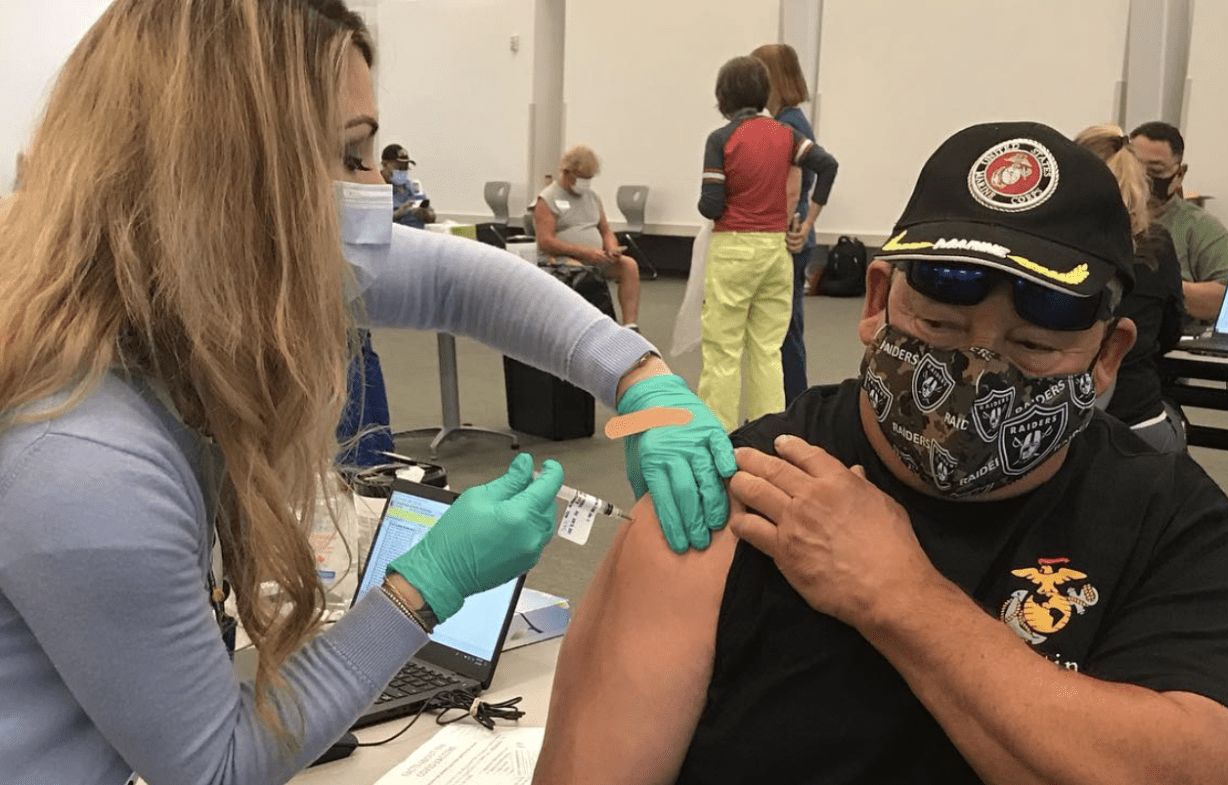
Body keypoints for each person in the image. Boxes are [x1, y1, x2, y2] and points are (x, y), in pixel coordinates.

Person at [0, 2, 735, 782]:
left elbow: (459, 286)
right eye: (353, 155)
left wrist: (638, 377)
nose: (377, 188)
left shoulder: (129, 293)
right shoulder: (82, 457)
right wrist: (426, 586)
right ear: (231, 175)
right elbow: (216, 766)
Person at [536, 122, 1228, 785]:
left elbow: (1202, 769)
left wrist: (900, 598)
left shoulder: (1169, 520)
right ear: (875, 299)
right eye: (940, 325)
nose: (977, 370)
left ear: (1106, 355)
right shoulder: (738, 491)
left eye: (1032, 346)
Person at [697, 55, 837, 432]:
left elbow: (711, 205)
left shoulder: (721, 139)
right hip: (776, 250)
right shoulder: (787, 135)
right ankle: (768, 432)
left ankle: (717, 434)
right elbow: (828, 165)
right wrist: (808, 221)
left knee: (723, 350)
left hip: (734, 251)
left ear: (723, 95)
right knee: (766, 349)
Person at [1075, 124, 1187, 452]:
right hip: (1137, 422)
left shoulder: (1050, 245)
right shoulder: (1156, 244)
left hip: (1057, 425)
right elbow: (1169, 334)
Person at [751, 43, 823, 407]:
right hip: (792, 232)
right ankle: (786, 405)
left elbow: (792, 186)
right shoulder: (789, 121)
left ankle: (792, 407)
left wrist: (802, 221)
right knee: (782, 326)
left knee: (782, 329)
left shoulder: (789, 124)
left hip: (786, 236)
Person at [1129, 121, 1228, 325]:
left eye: (1155, 170)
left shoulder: (1203, 228)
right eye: (1134, 167)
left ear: (1179, 174)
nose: (1142, 178)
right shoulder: (1106, 216)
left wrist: (1158, 285)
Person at [533, 145, 641, 328]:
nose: (586, 182)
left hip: (594, 257)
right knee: (583, 273)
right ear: (567, 173)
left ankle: (630, 326)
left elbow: (605, 230)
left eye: (589, 179)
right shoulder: (547, 199)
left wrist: (611, 247)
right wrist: (584, 252)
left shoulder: (592, 197)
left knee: (629, 266)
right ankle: (593, 327)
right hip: (560, 260)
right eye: (582, 178)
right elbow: (545, 242)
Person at [380, 143, 436, 228]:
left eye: (405, 169)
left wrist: (426, 214)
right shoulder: (375, 187)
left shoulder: (409, 185)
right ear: (384, 164)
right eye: (398, 169)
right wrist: (396, 214)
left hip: (417, 234)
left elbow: (432, 216)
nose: (402, 173)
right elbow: (373, 221)